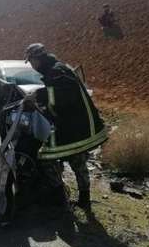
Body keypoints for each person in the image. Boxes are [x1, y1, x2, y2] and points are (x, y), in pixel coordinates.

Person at [24, 43, 107, 212]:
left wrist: (38, 95)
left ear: (37, 59)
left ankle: (59, 196)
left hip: (71, 126)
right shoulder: (57, 69)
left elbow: (61, 96)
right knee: (77, 159)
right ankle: (84, 199)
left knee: (45, 157)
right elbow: (58, 98)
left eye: (31, 61)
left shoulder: (56, 72)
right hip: (75, 124)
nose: (31, 65)